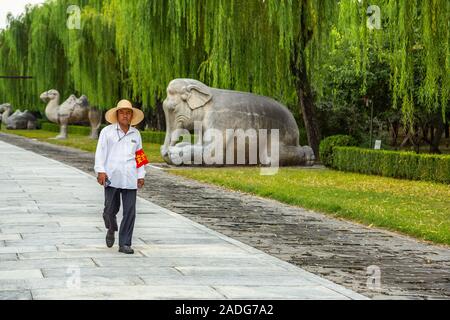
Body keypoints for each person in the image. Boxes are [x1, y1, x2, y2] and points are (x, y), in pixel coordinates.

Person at [94, 99, 147, 254]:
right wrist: (100, 171)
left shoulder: (136, 134)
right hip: (112, 176)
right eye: (122, 112)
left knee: (130, 211)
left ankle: (125, 243)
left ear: (132, 116)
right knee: (110, 210)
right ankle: (111, 227)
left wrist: (141, 174)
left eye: (128, 112)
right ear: (117, 115)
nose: (125, 115)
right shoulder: (107, 132)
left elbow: (140, 156)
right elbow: (100, 152)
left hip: (130, 178)